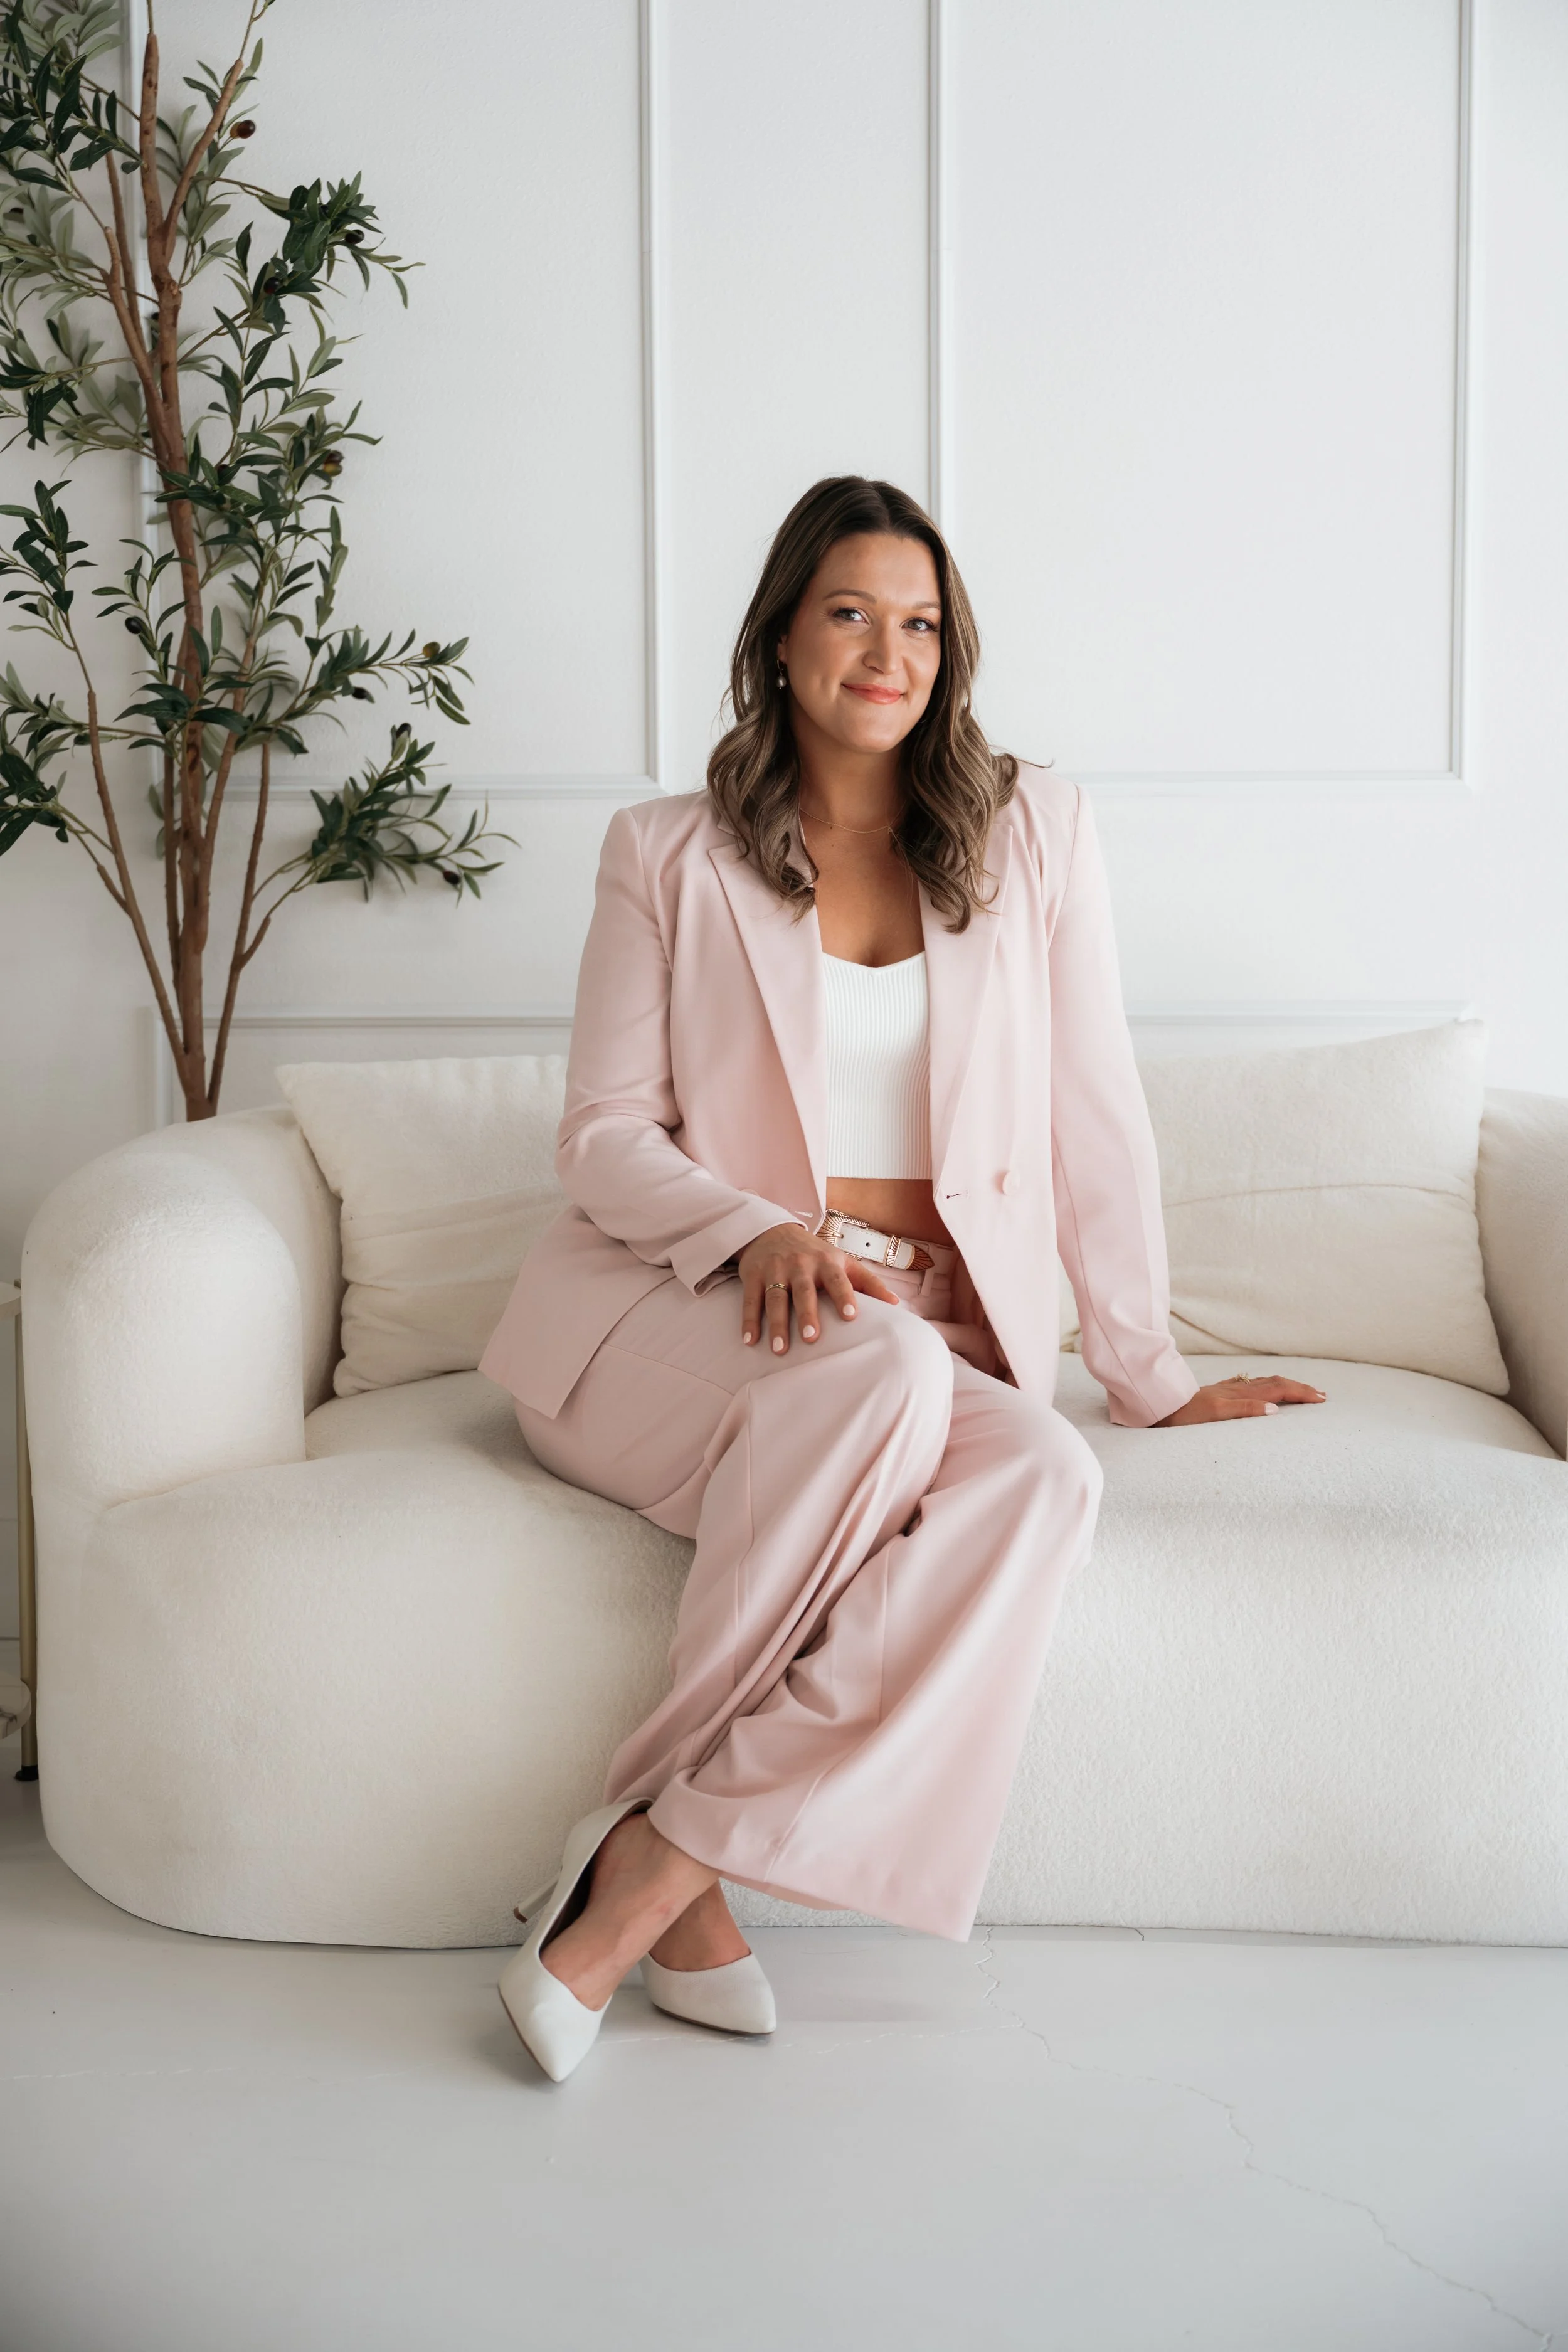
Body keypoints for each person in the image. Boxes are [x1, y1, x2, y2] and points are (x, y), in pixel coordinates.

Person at [478, 475, 1325, 2080]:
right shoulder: (662, 850)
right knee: (875, 1369)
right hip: (677, 1314)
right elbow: (597, 1136)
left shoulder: (1029, 829)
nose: (890, 649)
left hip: (908, 1332)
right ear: (782, 636)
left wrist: (1142, 1372)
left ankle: (661, 1859)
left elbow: (1093, 1109)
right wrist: (751, 1229)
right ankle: (641, 1901)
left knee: (1040, 1478)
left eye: (921, 620)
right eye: (852, 612)